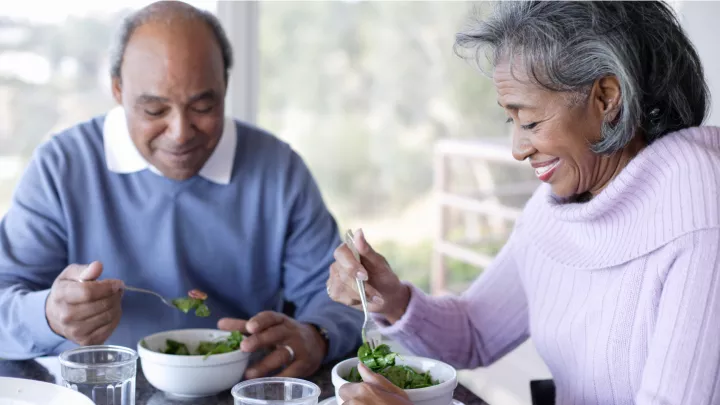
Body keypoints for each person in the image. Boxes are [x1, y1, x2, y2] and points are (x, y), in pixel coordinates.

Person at [329, 2, 720, 404]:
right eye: (510, 121)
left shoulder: (701, 213)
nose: (517, 149)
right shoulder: (565, 201)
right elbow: (477, 332)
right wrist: (391, 298)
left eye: (530, 122)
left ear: (606, 97)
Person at [0, 0, 362, 380]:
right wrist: (49, 315)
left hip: (241, 386)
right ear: (118, 90)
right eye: (155, 111)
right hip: (98, 389)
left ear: (225, 86)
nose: (180, 133)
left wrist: (316, 335)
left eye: (203, 106)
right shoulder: (63, 167)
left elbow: (340, 296)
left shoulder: (277, 169)